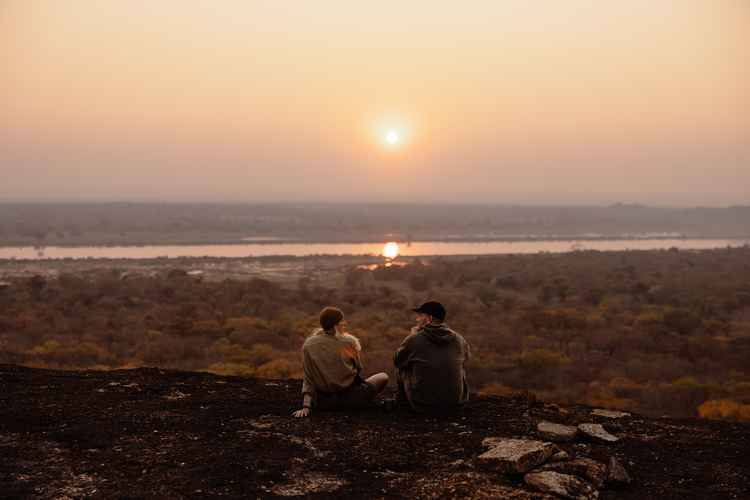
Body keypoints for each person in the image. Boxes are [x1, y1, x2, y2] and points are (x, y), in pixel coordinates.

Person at [292, 306, 389, 418]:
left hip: (324, 403)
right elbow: (358, 367)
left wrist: (306, 406)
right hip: (353, 398)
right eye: (342, 321)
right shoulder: (349, 342)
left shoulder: (308, 345)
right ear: (335, 325)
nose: (344, 323)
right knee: (383, 376)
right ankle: (363, 403)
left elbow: (309, 377)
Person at [394, 301, 470, 413]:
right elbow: (466, 359)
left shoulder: (415, 339)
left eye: (420, 316)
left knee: (403, 368)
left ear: (429, 318)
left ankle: (402, 404)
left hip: (423, 405)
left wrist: (412, 335)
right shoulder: (459, 339)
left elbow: (397, 361)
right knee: (459, 366)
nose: (417, 319)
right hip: (456, 404)